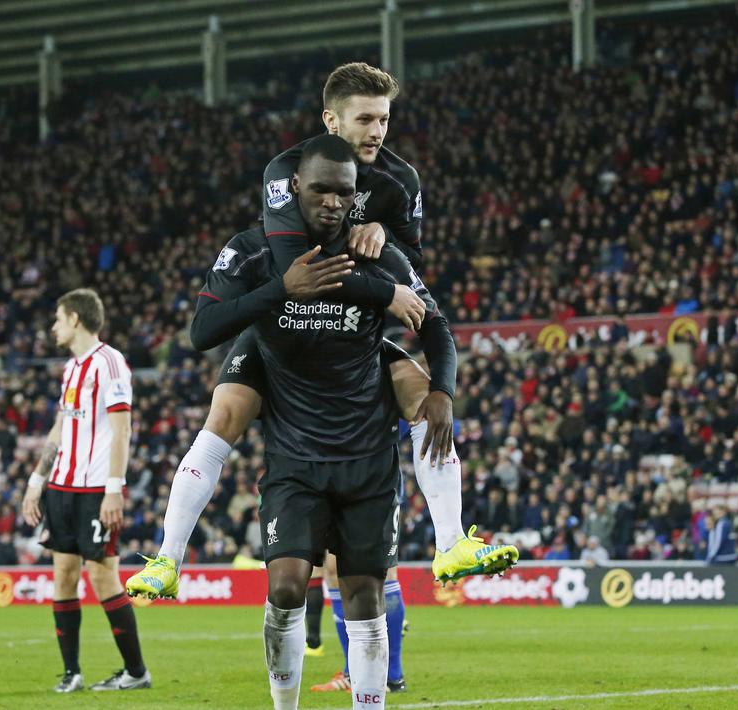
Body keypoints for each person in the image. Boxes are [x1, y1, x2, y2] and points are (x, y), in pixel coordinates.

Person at [127, 62, 517, 691]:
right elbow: (297, 269)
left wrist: (381, 238)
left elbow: (410, 270)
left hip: (352, 337)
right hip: (282, 327)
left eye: (384, 118)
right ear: (331, 121)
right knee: (226, 411)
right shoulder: (285, 172)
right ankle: (168, 557)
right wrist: (378, 285)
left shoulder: (399, 180)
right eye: (365, 118)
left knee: (422, 393)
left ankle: (451, 542)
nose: (377, 131)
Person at [141, 134, 454, 709]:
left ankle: (448, 548)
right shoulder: (253, 251)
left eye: (345, 193)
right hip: (294, 455)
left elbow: (433, 322)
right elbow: (202, 331)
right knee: (285, 587)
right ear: (293, 188)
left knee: (364, 597)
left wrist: (443, 389)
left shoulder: (375, 252)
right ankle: (171, 558)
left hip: (364, 452)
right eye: (321, 191)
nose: (333, 203)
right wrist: (279, 291)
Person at [21, 289, 149, 693]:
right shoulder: (71, 369)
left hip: (96, 489)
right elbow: (61, 427)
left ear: (75, 319)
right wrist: (36, 481)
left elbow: (122, 430)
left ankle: (136, 672)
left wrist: (114, 489)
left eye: (58, 319)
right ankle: (71, 673)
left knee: (102, 576)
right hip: (62, 486)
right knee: (63, 575)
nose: (53, 327)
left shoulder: (110, 363)